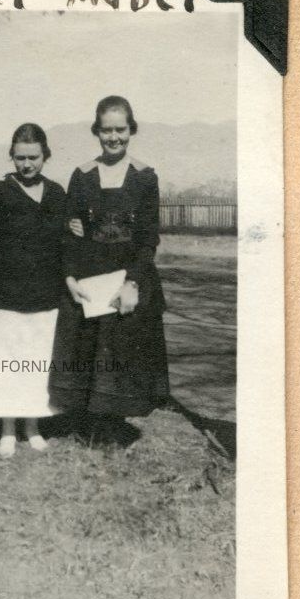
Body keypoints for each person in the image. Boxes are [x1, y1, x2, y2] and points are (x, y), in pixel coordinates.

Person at [49, 96, 169, 441]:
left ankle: (114, 427)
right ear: (96, 131)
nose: (113, 137)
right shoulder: (82, 175)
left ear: (131, 130)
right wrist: (70, 275)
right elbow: (69, 231)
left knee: (124, 351)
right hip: (90, 278)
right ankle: (86, 424)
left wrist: (133, 283)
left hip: (129, 277)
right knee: (88, 350)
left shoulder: (145, 177)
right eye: (106, 130)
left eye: (120, 129)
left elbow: (148, 238)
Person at [0, 123, 68, 457]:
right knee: (8, 366)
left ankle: (33, 427)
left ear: (45, 156)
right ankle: (7, 430)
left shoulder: (56, 194)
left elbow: (66, 240)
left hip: (46, 297)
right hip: (6, 298)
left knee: (37, 365)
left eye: (33, 157)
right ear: (11, 156)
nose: (27, 165)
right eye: (20, 158)